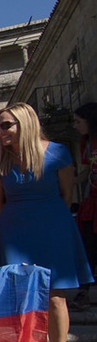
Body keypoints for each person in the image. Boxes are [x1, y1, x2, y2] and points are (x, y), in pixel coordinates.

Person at [0, 102, 94, 342]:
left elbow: (66, 193)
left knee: (56, 298)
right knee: (23, 300)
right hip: (15, 228)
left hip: (53, 225)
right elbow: (0, 202)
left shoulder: (57, 152)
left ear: (25, 123)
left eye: (6, 125)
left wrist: (45, 216)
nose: (0, 131)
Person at [73, 102, 97, 309]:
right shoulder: (86, 143)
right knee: (88, 245)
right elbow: (86, 171)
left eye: (79, 122)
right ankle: (85, 291)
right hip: (91, 202)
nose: (76, 125)